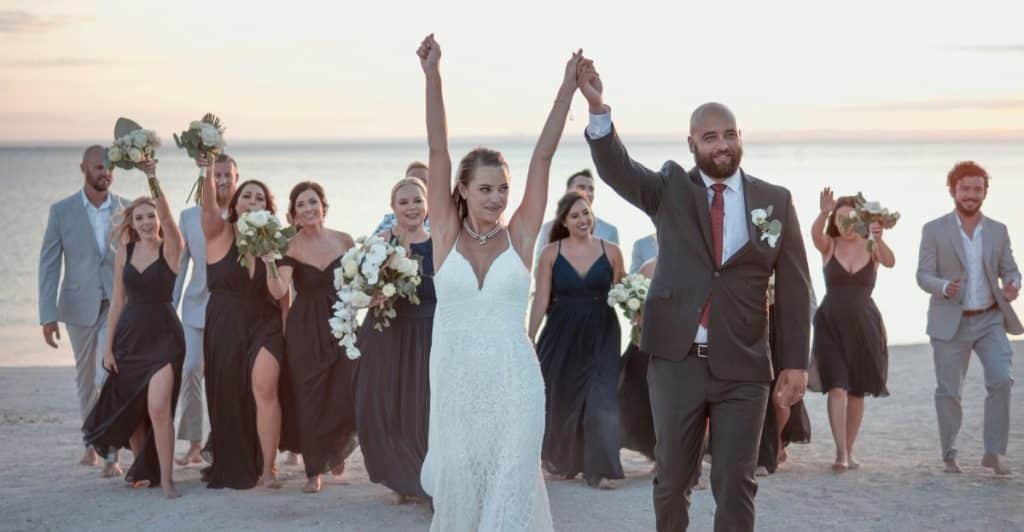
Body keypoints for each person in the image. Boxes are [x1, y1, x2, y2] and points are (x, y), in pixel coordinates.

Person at [579, 57, 812, 532]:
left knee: (736, 483)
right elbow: (616, 167)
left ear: (740, 137)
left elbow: (794, 288)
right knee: (671, 481)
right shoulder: (668, 189)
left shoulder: (775, 200)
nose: (722, 145)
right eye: (710, 137)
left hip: (745, 365)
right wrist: (598, 108)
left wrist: (795, 362)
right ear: (692, 145)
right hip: (675, 361)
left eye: (729, 134)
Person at [416, 34, 578, 531]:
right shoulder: (443, 233)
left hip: (516, 383)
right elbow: (438, 147)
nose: (496, 197)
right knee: (463, 494)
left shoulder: (522, 235)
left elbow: (544, 158)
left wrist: (567, 91)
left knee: (512, 490)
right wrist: (433, 76)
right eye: (485, 188)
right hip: (459, 386)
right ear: (461, 191)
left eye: (502, 188)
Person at [83, 160, 185, 498]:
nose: (145, 221)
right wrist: (108, 348)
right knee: (135, 410)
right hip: (129, 338)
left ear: (158, 221)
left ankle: (168, 480)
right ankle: (145, 468)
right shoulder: (124, 252)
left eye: (151, 216)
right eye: (139, 216)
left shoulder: (171, 250)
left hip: (164, 337)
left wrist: (153, 176)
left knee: (158, 408)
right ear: (132, 221)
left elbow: (171, 220)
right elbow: (117, 302)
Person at [198, 158, 298, 489]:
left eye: (260, 198)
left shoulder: (278, 243)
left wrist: (270, 257)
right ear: (236, 204)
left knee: (265, 388)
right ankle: (237, 459)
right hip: (225, 321)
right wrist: (207, 169)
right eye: (247, 196)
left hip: (264, 321)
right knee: (228, 393)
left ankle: (269, 468)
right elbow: (208, 205)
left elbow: (279, 293)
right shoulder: (219, 232)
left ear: (268, 208)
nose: (253, 202)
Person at [917, 161, 1021, 476]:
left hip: (990, 319)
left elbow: (1010, 267)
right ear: (953, 190)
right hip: (951, 321)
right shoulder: (934, 229)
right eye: (965, 189)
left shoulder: (998, 230)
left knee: (1002, 379)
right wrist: (945, 286)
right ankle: (949, 453)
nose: (971, 195)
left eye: (977, 189)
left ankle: (994, 453)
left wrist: (1014, 283)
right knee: (949, 391)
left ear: (984, 192)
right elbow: (923, 275)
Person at [38, 145, 129, 471]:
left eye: (109, 168)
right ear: (83, 168)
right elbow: (49, 263)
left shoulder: (127, 208)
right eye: (98, 167)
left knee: (109, 374)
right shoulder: (61, 212)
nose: (105, 172)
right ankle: (90, 442)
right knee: (85, 378)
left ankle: (111, 454)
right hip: (77, 305)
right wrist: (47, 315)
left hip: (117, 303)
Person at [529, 192, 625, 489]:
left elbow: (625, 291)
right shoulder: (550, 253)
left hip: (603, 331)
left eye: (586, 213)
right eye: (575, 216)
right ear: (564, 221)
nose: (583, 220)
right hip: (562, 333)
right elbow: (542, 298)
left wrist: (639, 317)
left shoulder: (612, 251)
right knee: (563, 396)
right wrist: (528, 337)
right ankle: (566, 462)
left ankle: (602, 469)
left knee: (601, 396)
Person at [268, 181, 358, 493]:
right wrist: (268, 259)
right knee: (309, 397)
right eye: (301, 205)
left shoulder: (344, 240)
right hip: (305, 327)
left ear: (323, 205)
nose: (308, 209)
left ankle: (334, 448)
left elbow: (357, 283)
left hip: (341, 323)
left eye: (313, 202)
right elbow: (279, 290)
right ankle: (312, 471)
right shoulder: (289, 246)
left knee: (342, 391)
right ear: (293, 215)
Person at [354, 177, 435, 503]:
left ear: (427, 204)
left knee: (423, 406)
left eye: (417, 200)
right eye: (404, 202)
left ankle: (425, 479)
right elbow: (360, 290)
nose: (411, 207)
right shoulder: (381, 244)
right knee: (384, 403)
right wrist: (374, 297)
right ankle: (401, 478)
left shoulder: (440, 242)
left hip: (428, 330)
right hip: (388, 331)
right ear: (393, 208)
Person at [810, 188, 894, 472]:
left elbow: (891, 260)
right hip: (829, 323)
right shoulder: (830, 244)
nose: (846, 225)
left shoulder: (871, 246)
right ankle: (840, 453)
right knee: (837, 387)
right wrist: (823, 213)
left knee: (857, 391)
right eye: (841, 219)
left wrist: (879, 237)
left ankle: (850, 447)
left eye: (852, 219)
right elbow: (814, 235)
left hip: (864, 325)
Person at [170, 153, 239, 466]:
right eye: (217, 175)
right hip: (196, 308)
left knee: (228, 378)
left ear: (237, 178)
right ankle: (195, 443)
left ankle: (223, 442)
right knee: (190, 370)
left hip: (234, 313)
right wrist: (168, 309)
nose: (223, 180)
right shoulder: (188, 217)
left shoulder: (245, 215)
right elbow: (180, 268)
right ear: (207, 178)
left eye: (228, 175)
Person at [534, 169, 619, 265]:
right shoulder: (548, 228)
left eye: (591, 189)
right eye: (581, 187)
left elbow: (615, 273)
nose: (588, 193)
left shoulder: (609, 231)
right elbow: (538, 268)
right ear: (567, 191)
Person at [372, 162, 430, 235]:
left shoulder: (442, 222)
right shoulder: (389, 220)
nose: (417, 185)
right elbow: (371, 244)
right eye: (412, 181)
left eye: (423, 181)